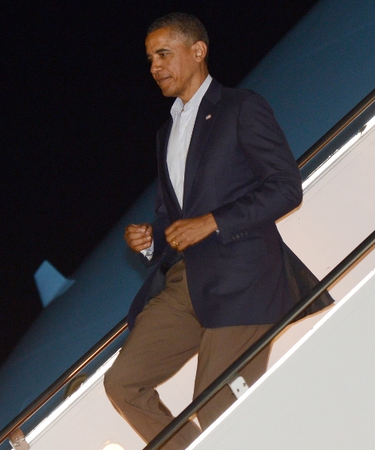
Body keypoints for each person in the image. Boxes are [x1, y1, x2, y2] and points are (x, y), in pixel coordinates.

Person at [103, 12, 329, 449]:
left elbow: (286, 188)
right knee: (123, 383)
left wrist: (214, 222)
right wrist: (151, 238)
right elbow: (173, 214)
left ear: (198, 51)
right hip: (186, 282)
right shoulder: (165, 132)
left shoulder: (242, 107)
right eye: (150, 58)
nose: (154, 67)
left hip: (244, 278)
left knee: (214, 405)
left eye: (163, 54)